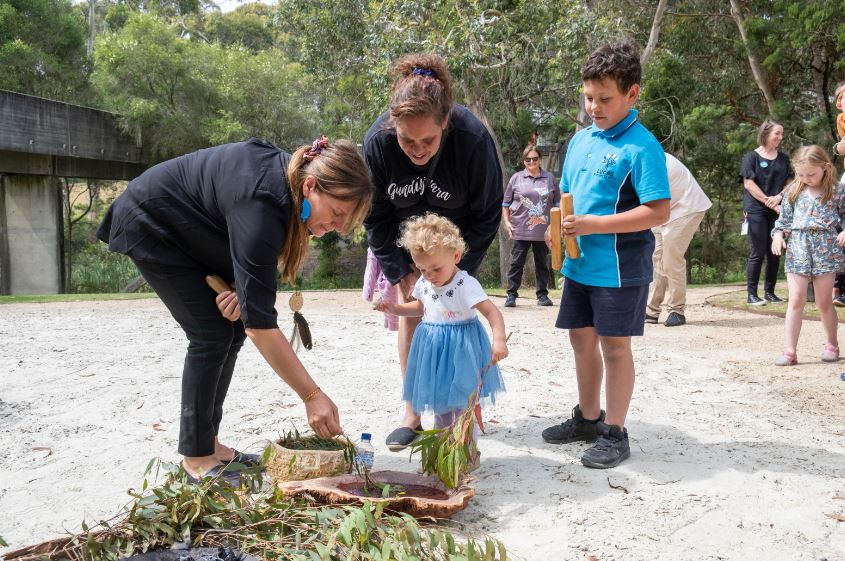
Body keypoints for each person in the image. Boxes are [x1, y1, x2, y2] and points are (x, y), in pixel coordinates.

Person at [97, 136, 373, 482]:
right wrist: (312, 395)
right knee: (210, 333)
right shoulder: (264, 200)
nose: (337, 228)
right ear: (310, 186)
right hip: (153, 223)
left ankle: (209, 443)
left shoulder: (282, 190)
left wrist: (240, 292)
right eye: (336, 214)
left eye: (345, 222)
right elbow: (260, 325)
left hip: (195, 232)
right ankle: (197, 459)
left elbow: (252, 294)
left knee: (229, 329)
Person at [363, 53, 504, 452]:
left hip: (453, 245)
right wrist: (399, 271)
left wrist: (455, 274)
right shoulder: (377, 143)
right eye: (407, 140)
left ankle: (461, 411)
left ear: (446, 122)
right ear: (393, 126)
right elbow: (374, 216)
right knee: (413, 315)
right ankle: (412, 412)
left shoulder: (473, 140)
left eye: (428, 140)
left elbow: (487, 215)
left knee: (455, 319)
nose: (417, 150)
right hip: (403, 242)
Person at [540, 40, 670, 469]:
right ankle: (588, 418)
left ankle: (615, 432)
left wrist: (594, 225)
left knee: (615, 346)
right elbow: (566, 194)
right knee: (581, 339)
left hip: (620, 269)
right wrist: (554, 230)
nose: (594, 106)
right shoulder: (580, 140)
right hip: (579, 264)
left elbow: (657, 210)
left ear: (633, 94)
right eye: (589, 97)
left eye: (605, 99)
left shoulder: (641, 146)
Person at [374, 213, 508, 461]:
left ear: (456, 256)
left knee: (462, 405)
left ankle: (466, 452)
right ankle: (444, 451)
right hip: (433, 349)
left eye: (436, 268)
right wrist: (394, 308)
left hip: (461, 349)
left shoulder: (465, 284)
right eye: (422, 269)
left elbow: (492, 312)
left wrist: (498, 339)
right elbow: (420, 307)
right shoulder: (425, 282)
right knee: (440, 404)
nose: (430, 275)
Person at [770, 145, 845, 366]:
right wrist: (777, 236)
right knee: (795, 300)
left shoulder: (837, 190)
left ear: (825, 167)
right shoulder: (794, 190)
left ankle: (832, 344)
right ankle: (790, 350)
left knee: (823, 302)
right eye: (801, 174)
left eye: (811, 174)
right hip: (798, 249)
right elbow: (782, 221)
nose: (806, 178)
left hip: (826, 250)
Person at [645, 153, 712, 327]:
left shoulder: (652, 159)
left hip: (687, 208)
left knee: (670, 258)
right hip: (665, 210)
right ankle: (651, 310)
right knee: (658, 257)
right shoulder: (640, 159)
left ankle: (677, 310)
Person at [740, 119, 794, 306]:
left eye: (781, 134)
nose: (780, 137)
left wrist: (779, 197)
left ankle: (770, 292)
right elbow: (748, 183)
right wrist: (769, 202)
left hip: (778, 208)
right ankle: (752, 294)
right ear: (765, 134)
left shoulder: (784, 159)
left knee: (774, 251)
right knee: (758, 250)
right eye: (777, 133)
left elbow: (791, 183)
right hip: (756, 210)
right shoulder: (751, 157)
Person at [502, 145, 561, 307]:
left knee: (542, 263)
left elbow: (558, 204)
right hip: (520, 228)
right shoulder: (516, 178)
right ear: (524, 161)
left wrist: (555, 226)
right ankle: (511, 295)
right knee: (516, 263)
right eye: (528, 159)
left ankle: (542, 295)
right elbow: (505, 204)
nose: (531, 162)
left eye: (534, 158)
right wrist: (507, 223)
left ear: (539, 159)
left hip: (544, 230)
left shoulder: (549, 178)